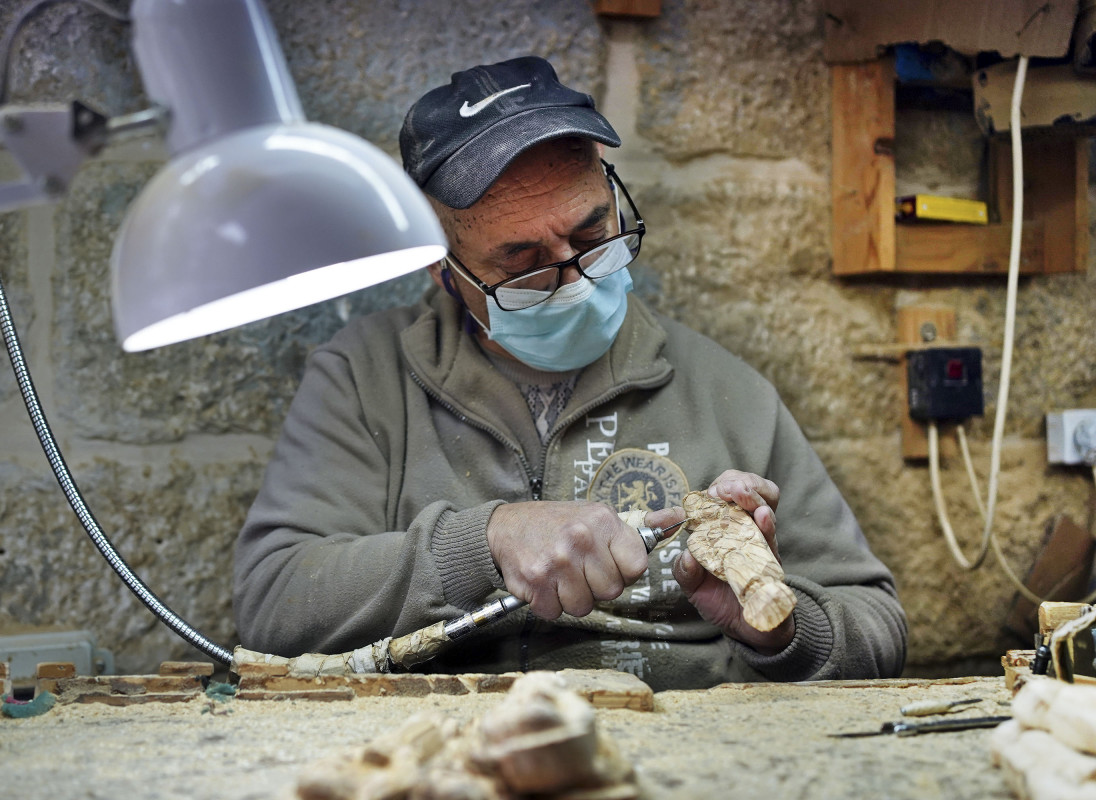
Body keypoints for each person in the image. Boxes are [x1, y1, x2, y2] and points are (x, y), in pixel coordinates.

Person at [233, 56, 907, 689]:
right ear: (443, 270)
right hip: (442, 747)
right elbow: (274, 602)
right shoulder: (363, 379)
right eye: (523, 266)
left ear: (613, 193)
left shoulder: (723, 391)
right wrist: (485, 543)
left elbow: (876, 626)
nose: (575, 280)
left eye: (591, 236)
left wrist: (775, 624)